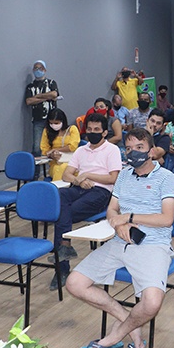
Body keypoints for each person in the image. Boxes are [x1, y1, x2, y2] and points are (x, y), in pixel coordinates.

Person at [66, 128, 174, 348]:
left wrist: (129, 217)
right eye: (128, 148)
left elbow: (167, 219)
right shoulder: (124, 175)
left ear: (151, 151)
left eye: (139, 147)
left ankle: (113, 336)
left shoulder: (166, 177)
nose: (133, 152)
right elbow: (112, 210)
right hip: (120, 241)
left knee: (152, 303)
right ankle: (132, 327)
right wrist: (119, 224)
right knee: (74, 284)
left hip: (153, 245)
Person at [51, 113, 122, 291]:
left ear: (104, 132)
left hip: (101, 191)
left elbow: (113, 178)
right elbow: (67, 174)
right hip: (79, 187)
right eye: (89, 129)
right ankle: (64, 254)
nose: (92, 132)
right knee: (59, 196)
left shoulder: (112, 150)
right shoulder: (81, 150)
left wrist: (88, 175)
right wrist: (79, 180)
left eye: (97, 130)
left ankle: (62, 266)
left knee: (63, 214)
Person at [25, 60, 59, 159]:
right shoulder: (30, 86)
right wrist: (46, 98)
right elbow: (29, 101)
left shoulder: (51, 83)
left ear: (45, 70)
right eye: (35, 68)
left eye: (40, 68)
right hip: (38, 119)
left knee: (54, 144)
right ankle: (36, 168)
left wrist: (37, 96)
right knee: (37, 147)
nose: (38, 70)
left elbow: (54, 94)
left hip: (52, 119)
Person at [41, 108, 81, 182]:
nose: (53, 125)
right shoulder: (47, 131)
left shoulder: (72, 129)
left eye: (56, 123)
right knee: (60, 168)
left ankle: (57, 188)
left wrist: (56, 149)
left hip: (71, 162)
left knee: (64, 168)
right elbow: (44, 149)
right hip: (55, 163)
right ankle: (58, 188)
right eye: (51, 123)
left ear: (63, 121)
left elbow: (72, 147)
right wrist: (52, 154)